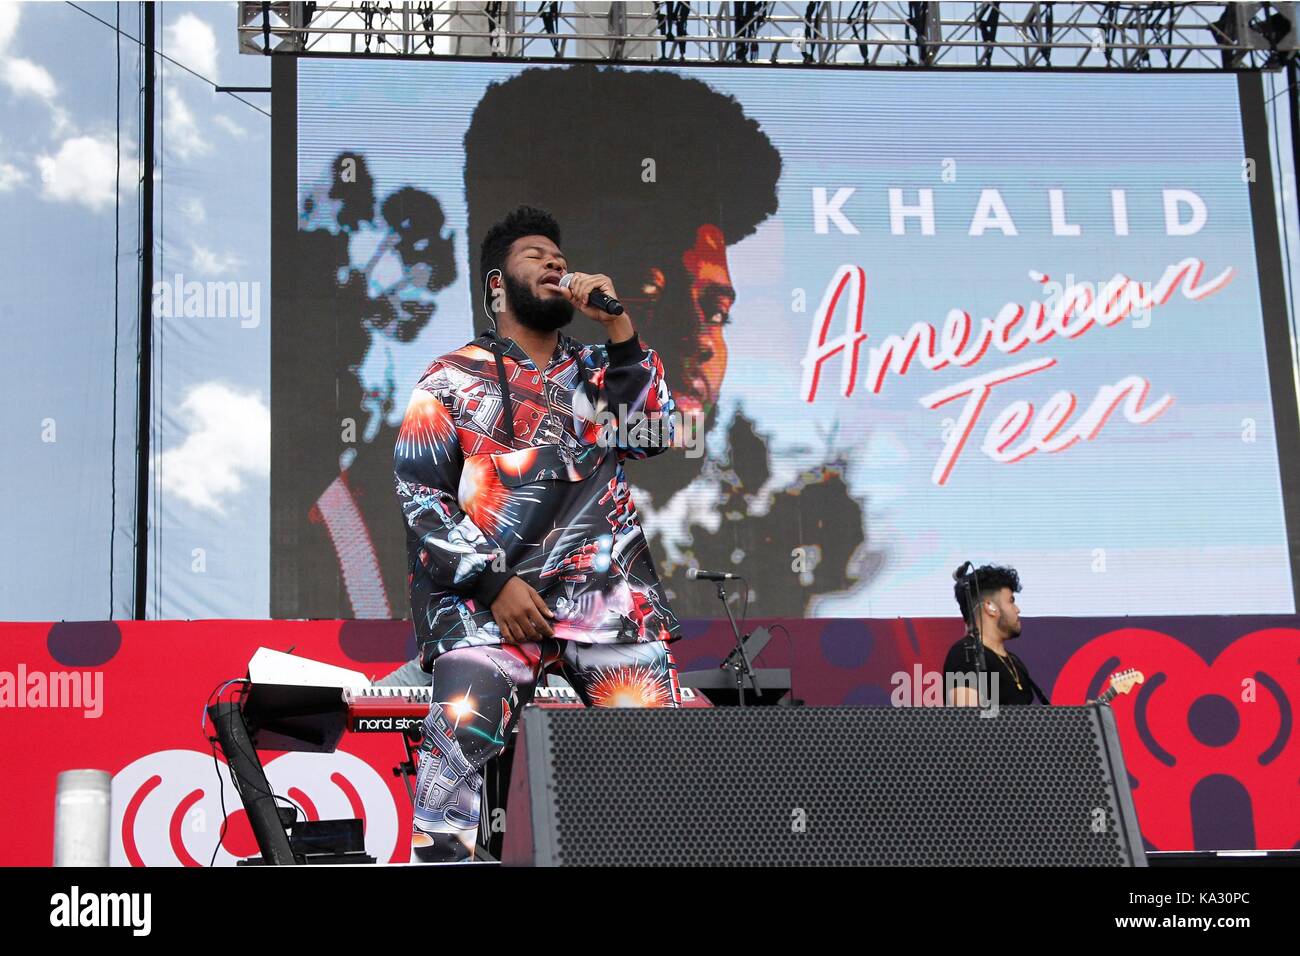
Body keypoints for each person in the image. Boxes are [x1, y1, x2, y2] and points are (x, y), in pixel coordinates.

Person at [395, 205, 682, 861]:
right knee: (456, 759)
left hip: (605, 602)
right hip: (488, 608)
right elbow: (421, 495)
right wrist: (493, 583)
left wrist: (618, 324)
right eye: (535, 256)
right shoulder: (448, 380)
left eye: (559, 255)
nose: (555, 263)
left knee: (662, 774)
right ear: (497, 286)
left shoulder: (599, 367)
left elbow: (655, 435)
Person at [943, 565, 1045, 707]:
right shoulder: (965, 654)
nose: (1017, 609)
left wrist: (1078, 718)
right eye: (1011, 601)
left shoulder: (1015, 662)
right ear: (990, 607)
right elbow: (967, 721)